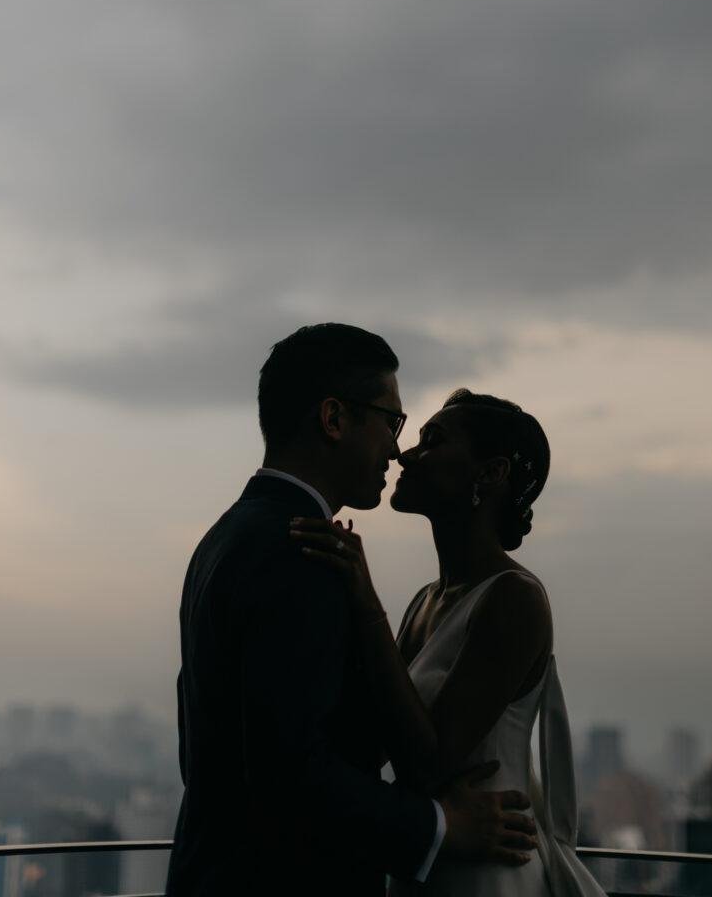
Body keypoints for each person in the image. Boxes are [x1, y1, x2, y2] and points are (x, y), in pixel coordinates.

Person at [165, 327, 539, 897]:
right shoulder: (300, 550)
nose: (398, 449)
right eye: (392, 423)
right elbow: (293, 773)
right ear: (335, 419)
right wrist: (441, 826)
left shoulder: (231, 535)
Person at [292, 388, 606, 896]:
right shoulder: (424, 601)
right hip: (430, 861)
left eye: (432, 441)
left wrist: (365, 601)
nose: (405, 454)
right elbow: (381, 735)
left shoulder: (514, 600)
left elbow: (426, 763)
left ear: (490, 473)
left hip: (486, 870)